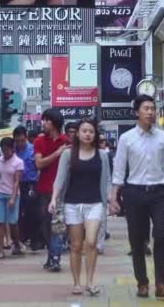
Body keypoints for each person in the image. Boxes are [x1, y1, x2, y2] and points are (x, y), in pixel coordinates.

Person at [109, 94, 164, 299]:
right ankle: (142, 283)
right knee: (137, 240)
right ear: (137, 112)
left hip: (158, 193)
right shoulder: (126, 138)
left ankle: (162, 284)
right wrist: (114, 197)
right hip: (134, 193)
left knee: (161, 236)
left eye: (153, 108)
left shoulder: (163, 137)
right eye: (146, 108)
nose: (151, 112)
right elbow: (119, 170)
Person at [49, 119, 111, 296]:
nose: (87, 134)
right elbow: (60, 179)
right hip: (72, 204)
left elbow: (107, 180)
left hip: (95, 203)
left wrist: (112, 199)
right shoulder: (68, 154)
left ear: (95, 134)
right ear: (77, 133)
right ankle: (76, 283)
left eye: (91, 131)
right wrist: (54, 199)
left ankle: (90, 281)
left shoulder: (102, 155)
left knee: (91, 242)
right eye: (84, 131)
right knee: (76, 245)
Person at [34, 108, 70, 272]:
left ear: (54, 123)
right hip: (44, 188)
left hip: (61, 190)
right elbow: (39, 164)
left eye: (46, 120)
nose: (43, 123)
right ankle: (51, 254)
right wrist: (57, 153)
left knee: (57, 224)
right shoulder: (39, 142)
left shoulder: (67, 141)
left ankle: (55, 257)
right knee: (45, 224)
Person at [0, 137, 25, 258]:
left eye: (7, 150)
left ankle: (17, 242)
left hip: (12, 193)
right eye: (3, 150)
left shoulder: (18, 162)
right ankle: (0, 249)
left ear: (12, 149)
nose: (5, 153)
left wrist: (13, 198)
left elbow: (16, 182)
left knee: (12, 222)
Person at [13, 126, 39, 249]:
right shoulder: (13, 150)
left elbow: (38, 167)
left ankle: (34, 239)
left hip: (31, 184)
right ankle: (21, 238)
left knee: (32, 212)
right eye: (17, 141)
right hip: (17, 184)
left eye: (22, 140)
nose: (20, 143)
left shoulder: (33, 150)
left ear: (26, 137)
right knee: (19, 213)